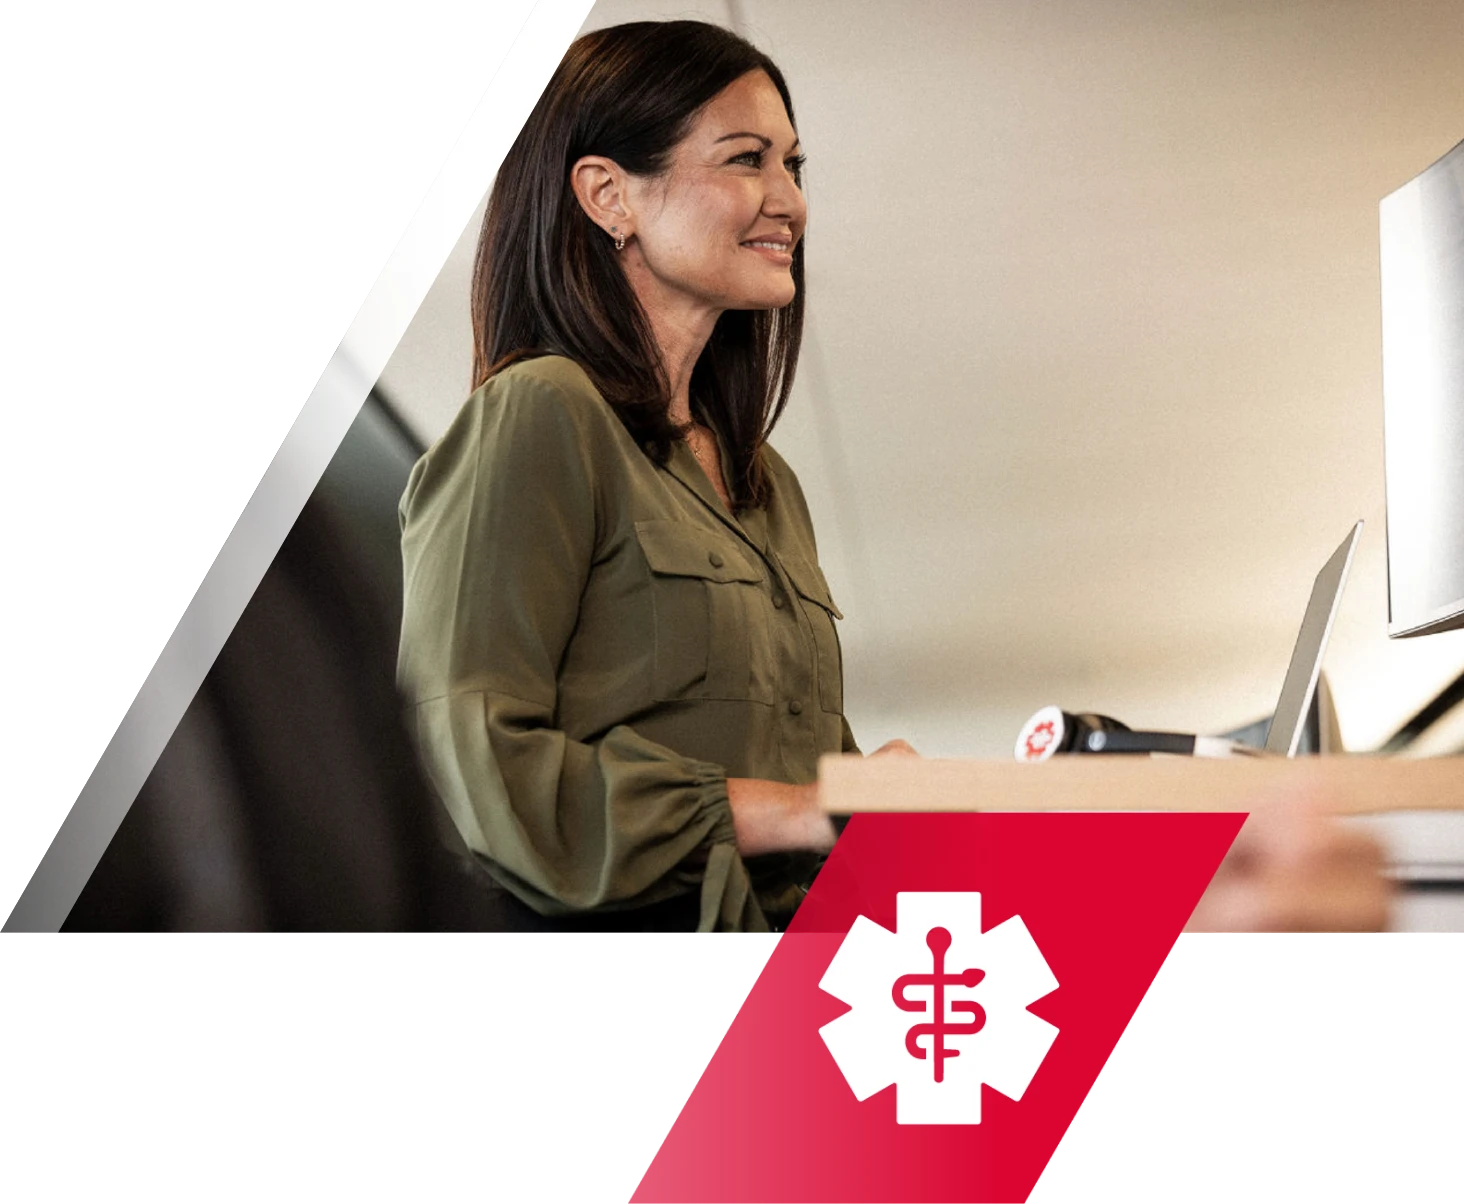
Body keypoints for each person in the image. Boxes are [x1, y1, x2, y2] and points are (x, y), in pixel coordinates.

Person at [397, 21, 915, 934]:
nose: (789, 200)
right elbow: (465, 756)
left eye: (796, 166)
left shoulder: (765, 484)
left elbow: (810, 783)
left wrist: (881, 800)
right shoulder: (543, 413)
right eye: (747, 158)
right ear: (608, 196)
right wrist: (798, 808)